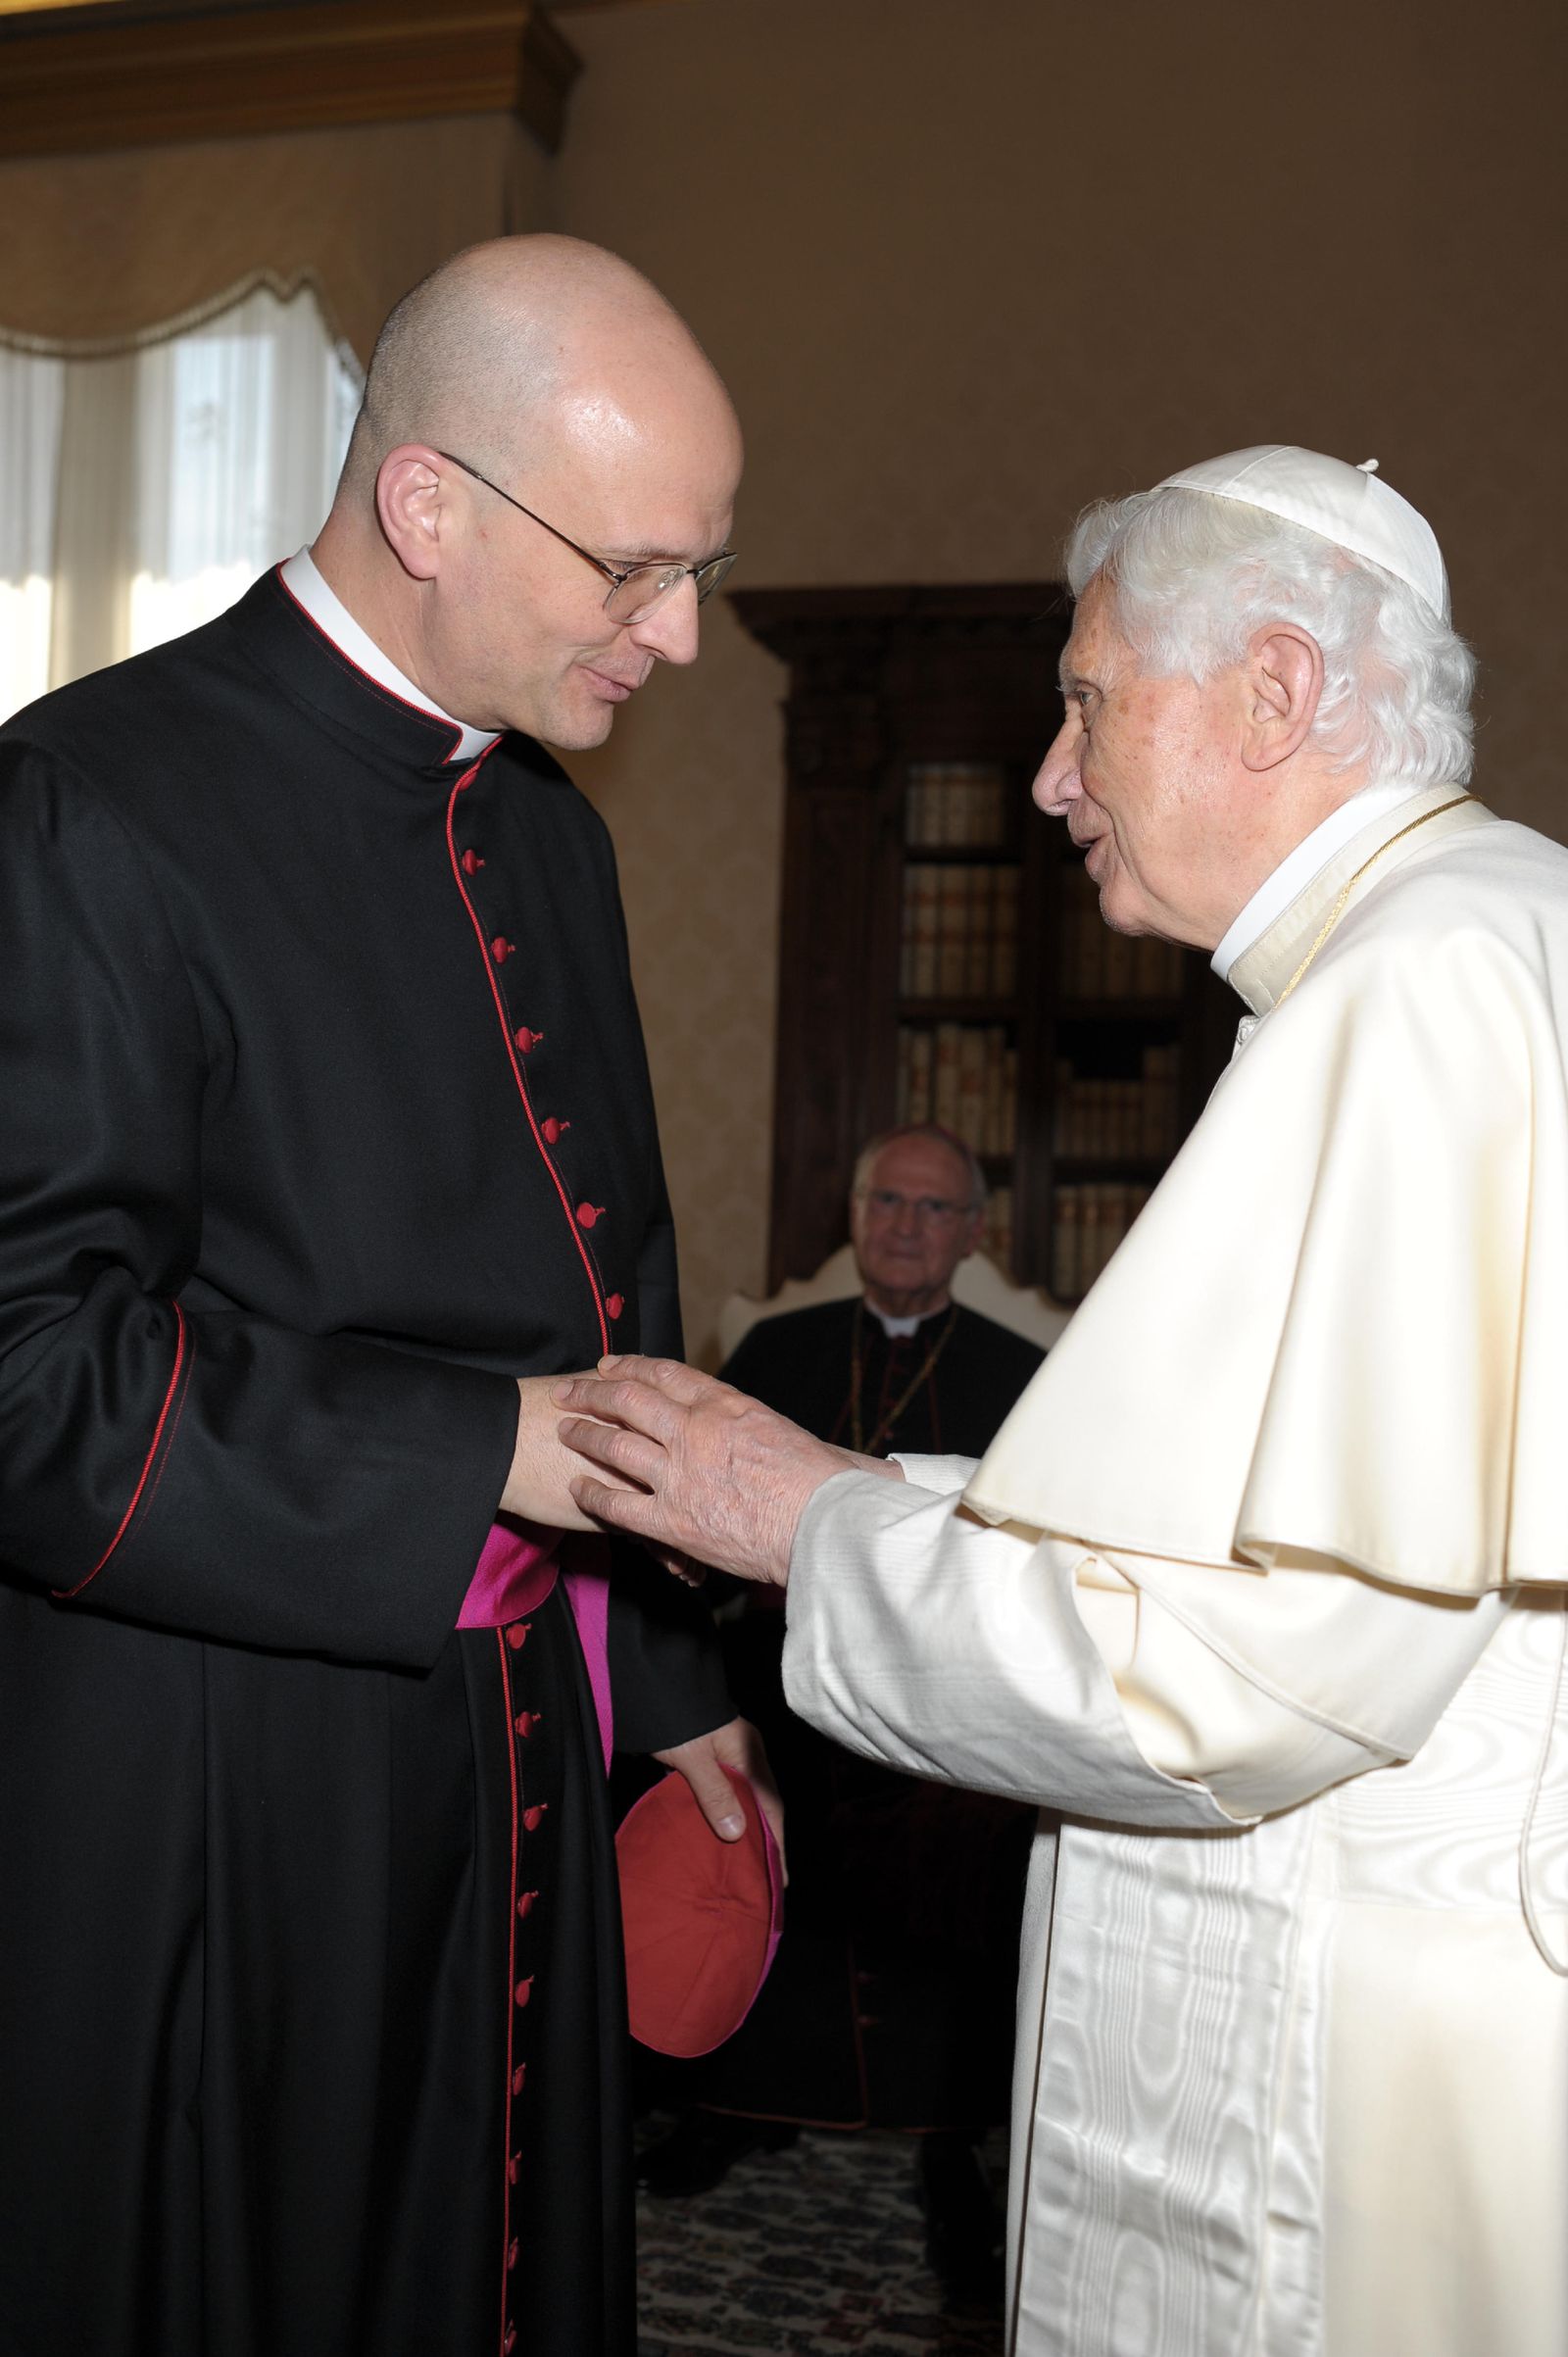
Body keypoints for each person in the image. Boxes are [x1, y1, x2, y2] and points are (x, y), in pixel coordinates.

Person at [552, 448, 1568, 2357]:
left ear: (1271, 691)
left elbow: (1236, 1669)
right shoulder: (1490, 930)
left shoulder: (1408, 988)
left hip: (1343, 2052)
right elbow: (1231, 1512)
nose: (1046, 770)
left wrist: (798, 1518)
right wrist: (864, 1477)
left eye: (1089, 696)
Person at [0, 234, 775, 2357]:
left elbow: (617, 1280)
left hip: (514, 1740)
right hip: (213, 1772)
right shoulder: (85, 803)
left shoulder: (550, 833)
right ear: (428, 503)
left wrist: (678, 1670)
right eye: (632, 567)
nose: (680, 634)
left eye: (700, 564)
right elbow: (27, 1375)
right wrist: (480, 1446)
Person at [639, 1126, 1043, 2303]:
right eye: (885, 1201)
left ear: (970, 1233)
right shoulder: (777, 1346)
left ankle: (948, 2135)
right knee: (733, 1781)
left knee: (960, 1834)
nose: (904, 1224)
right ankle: (733, 2102)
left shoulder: (1020, 1372)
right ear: (856, 1215)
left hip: (935, 1693)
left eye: (931, 1208)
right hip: (778, 1671)